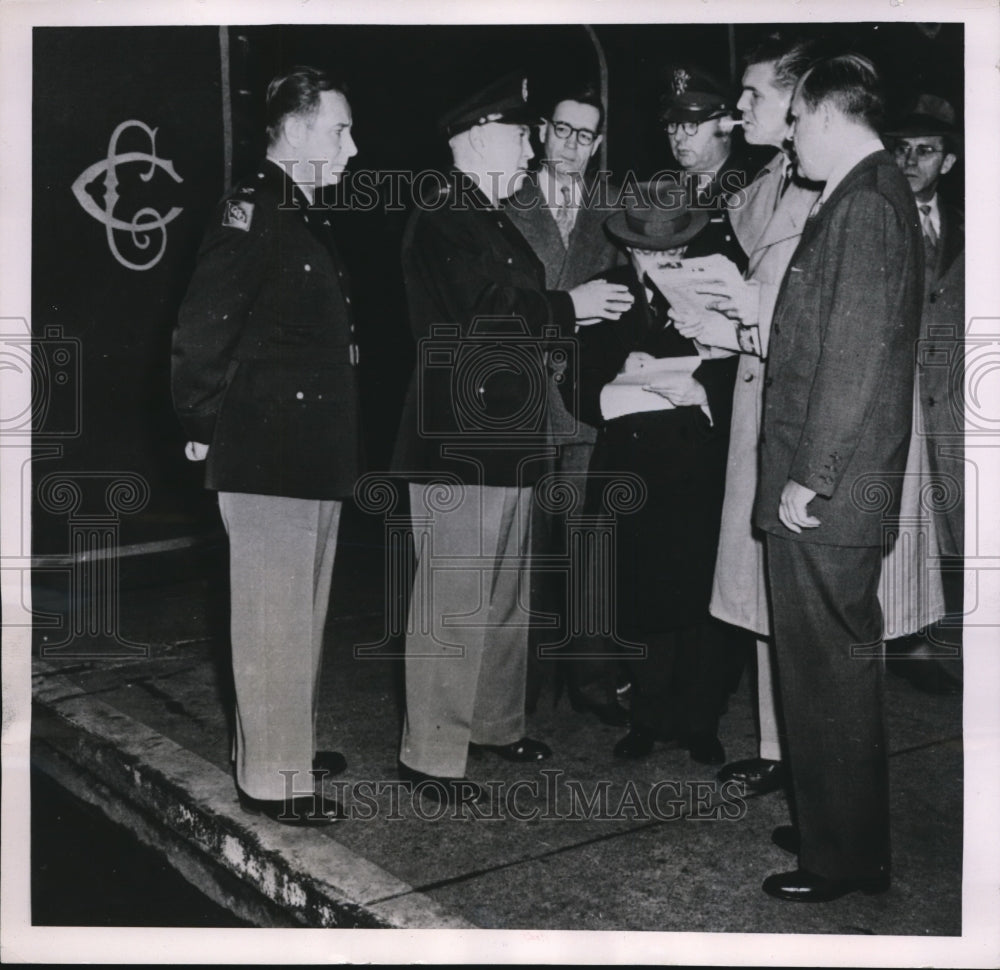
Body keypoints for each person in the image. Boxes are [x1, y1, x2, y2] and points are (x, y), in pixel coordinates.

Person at [391, 73, 633, 804]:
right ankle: (430, 753)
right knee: (454, 598)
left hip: (508, 430)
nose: (532, 145)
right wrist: (570, 305)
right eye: (521, 133)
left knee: (504, 594)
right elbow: (486, 312)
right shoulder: (444, 209)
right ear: (479, 137)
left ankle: (494, 723)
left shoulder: (486, 212)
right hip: (459, 435)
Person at [171, 67, 362, 825]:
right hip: (264, 447)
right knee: (271, 617)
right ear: (296, 128)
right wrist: (197, 423)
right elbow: (202, 325)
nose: (354, 146)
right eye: (341, 129)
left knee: (299, 611)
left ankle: (285, 742)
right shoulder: (254, 210)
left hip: (307, 448)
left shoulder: (301, 212)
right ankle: (273, 780)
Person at [754, 54, 923, 902]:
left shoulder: (861, 205)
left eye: (792, 122)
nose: (786, 137)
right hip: (838, 484)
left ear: (824, 116)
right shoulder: (871, 195)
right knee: (823, 665)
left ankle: (844, 858)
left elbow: (852, 362)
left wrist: (808, 476)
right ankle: (832, 822)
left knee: (830, 669)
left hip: (831, 489)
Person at [675, 35, 820, 798]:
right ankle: (773, 743)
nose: (738, 110)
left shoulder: (827, 185)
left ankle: (808, 758)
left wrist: (745, 316)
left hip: (796, 413)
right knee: (763, 583)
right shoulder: (767, 179)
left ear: (797, 102)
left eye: (752, 96)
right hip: (755, 398)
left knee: (796, 593)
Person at [563, 181, 739, 766]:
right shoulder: (605, 294)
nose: (662, 262)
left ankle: (701, 719)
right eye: (648, 251)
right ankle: (646, 715)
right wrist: (618, 380)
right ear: (629, 249)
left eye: (672, 251)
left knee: (697, 598)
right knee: (636, 593)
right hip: (630, 465)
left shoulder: (712, 289)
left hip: (696, 463)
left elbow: (741, 366)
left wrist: (700, 384)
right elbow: (577, 381)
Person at [506, 84, 626, 725]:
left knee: (589, 543)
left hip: (584, 401)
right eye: (563, 130)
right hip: (519, 399)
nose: (574, 145)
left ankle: (594, 684)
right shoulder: (503, 200)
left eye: (587, 135)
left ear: (597, 142)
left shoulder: (614, 209)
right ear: (541, 131)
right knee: (520, 551)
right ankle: (517, 692)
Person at [883, 94, 965, 695]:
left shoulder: (971, 225)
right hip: (900, 400)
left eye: (926, 151)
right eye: (901, 149)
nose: (911, 161)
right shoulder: (878, 217)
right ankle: (909, 643)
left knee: (961, 526)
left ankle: (957, 643)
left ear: (950, 161)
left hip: (959, 403)